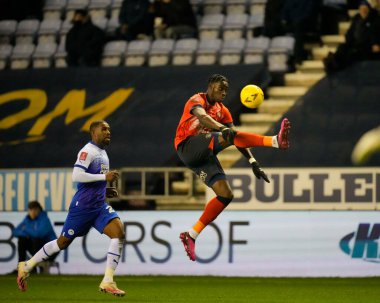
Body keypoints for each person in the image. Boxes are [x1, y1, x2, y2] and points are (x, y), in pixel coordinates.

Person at [175, 74, 291, 261]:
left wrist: (253, 162)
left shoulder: (224, 111)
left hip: (205, 155)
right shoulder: (196, 100)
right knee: (227, 133)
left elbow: (236, 138)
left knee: (226, 194)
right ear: (211, 86)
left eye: (226, 90)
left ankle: (191, 234)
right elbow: (203, 119)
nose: (224, 92)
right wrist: (222, 130)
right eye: (221, 88)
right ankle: (274, 141)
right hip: (187, 147)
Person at [17, 120, 126, 296]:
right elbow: (77, 175)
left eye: (109, 129)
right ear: (93, 132)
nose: (108, 132)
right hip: (82, 207)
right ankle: (27, 266)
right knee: (62, 243)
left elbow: (94, 180)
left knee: (118, 232)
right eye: (104, 129)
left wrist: (105, 190)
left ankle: (108, 281)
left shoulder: (103, 153)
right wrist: (104, 177)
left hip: (98, 206)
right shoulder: (87, 151)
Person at [323, 1, 380, 73]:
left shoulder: (374, 19)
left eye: (365, 9)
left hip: (366, 45)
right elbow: (350, 32)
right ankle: (333, 61)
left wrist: (375, 43)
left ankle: (338, 66)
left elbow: (374, 33)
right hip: (354, 43)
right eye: (361, 9)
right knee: (342, 47)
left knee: (351, 54)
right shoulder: (357, 18)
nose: (363, 11)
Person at [13, 201, 58, 272]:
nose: (32, 212)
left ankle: (32, 266)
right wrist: (27, 234)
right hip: (38, 250)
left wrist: (25, 230)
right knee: (22, 240)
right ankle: (21, 267)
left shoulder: (45, 219)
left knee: (36, 239)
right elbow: (15, 232)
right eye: (30, 210)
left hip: (51, 251)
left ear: (39, 210)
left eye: (35, 210)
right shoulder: (27, 219)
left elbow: (38, 234)